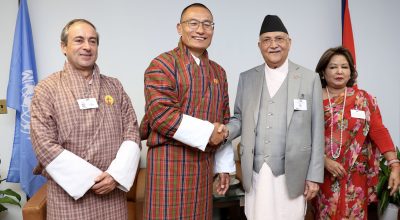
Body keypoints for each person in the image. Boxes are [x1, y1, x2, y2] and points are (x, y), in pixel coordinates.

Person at [30, 19, 141, 220]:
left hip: (112, 193)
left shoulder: (114, 86)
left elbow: (132, 131)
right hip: (69, 196)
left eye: (93, 41)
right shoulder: (46, 89)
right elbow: (43, 144)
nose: (87, 47)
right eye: (79, 40)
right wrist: (91, 179)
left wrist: (115, 176)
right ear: (64, 47)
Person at [224, 15, 324, 220]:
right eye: (267, 40)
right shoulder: (247, 77)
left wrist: (314, 176)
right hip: (256, 171)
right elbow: (239, 118)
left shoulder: (309, 78)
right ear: (259, 45)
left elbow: (317, 129)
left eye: (279, 38)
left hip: (293, 172)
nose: (273, 45)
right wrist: (224, 131)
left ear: (289, 42)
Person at [139, 3, 234, 220]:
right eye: (193, 23)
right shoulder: (161, 64)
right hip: (169, 164)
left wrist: (223, 167)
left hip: (203, 166)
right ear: (179, 28)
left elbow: (224, 119)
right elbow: (162, 116)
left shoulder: (219, 71)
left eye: (207, 24)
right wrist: (210, 132)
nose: (200, 30)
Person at [312, 46, 400, 219]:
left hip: (355, 177)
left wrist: (394, 164)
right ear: (323, 72)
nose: (339, 71)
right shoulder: (311, 98)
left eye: (345, 67)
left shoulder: (364, 99)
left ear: (351, 72)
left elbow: (379, 131)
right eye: (333, 67)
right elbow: (301, 137)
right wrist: (323, 160)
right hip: (322, 174)